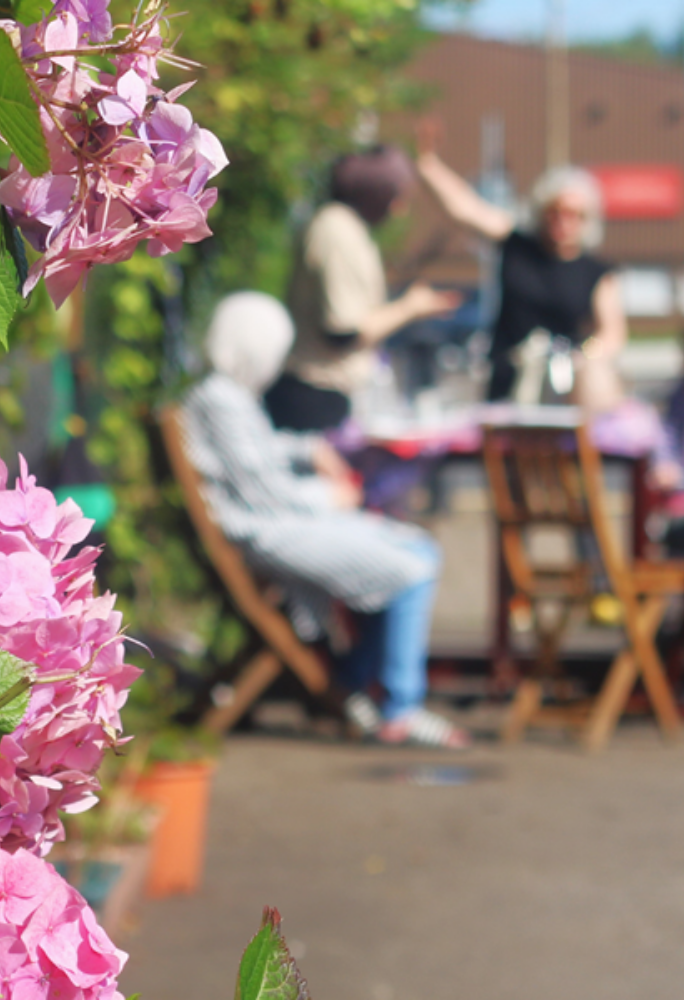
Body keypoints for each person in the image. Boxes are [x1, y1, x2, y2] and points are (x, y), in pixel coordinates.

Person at [182, 291, 471, 748]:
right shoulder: (222, 399)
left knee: (414, 550)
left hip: (273, 525)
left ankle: (354, 680)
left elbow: (257, 457)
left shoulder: (225, 395)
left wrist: (308, 450)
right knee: (411, 567)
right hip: (269, 531)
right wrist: (329, 497)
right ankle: (399, 707)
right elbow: (265, 492)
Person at [415, 125, 627, 404]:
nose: (563, 221)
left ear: (588, 220)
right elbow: (465, 209)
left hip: (562, 387)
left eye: (574, 214)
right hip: (508, 380)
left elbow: (612, 333)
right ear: (542, 211)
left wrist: (585, 357)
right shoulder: (518, 245)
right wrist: (428, 165)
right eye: (555, 212)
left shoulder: (596, 272)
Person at [265, 145, 462, 433]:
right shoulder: (336, 229)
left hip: (324, 394)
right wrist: (410, 307)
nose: (399, 210)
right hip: (316, 395)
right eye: (397, 196)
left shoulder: (346, 227)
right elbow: (342, 332)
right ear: (377, 192)